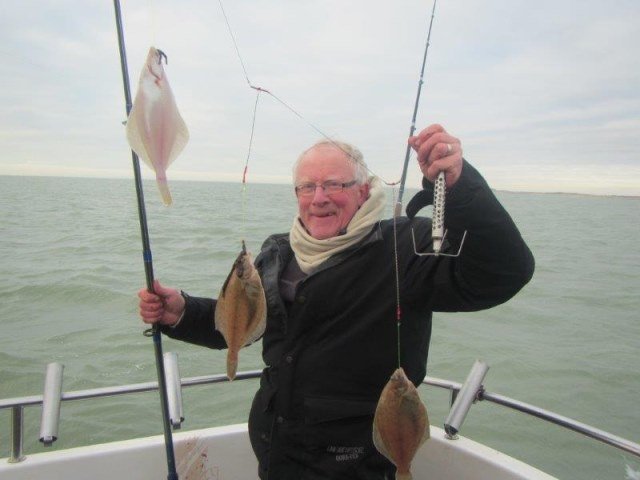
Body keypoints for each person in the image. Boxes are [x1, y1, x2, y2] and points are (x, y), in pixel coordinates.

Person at [138, 124, 535, 480]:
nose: (319, 198)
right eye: (307, 187)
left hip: (355, 466)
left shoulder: (406, 248)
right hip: (277, 456)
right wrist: (182, 312)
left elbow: (505, 271)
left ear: (363, 191)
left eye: (334, 185)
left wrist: (461, 184)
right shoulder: (277, 254)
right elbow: (246, 326)